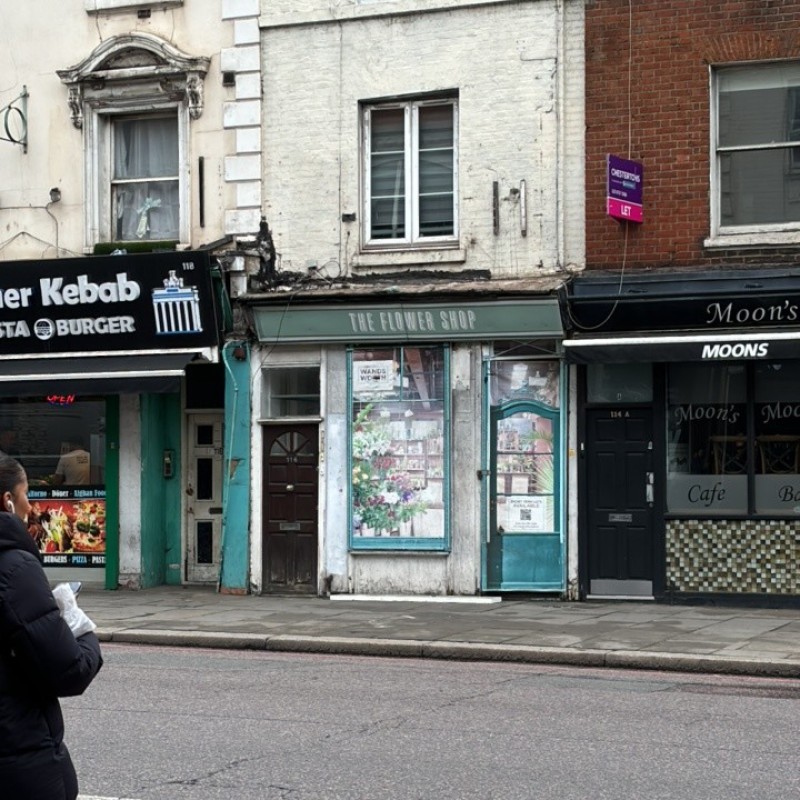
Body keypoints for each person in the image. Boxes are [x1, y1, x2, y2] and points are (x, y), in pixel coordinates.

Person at [0, 454, 103, 799]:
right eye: (26, 494)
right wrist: (78, 624)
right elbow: (69, 671)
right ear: (7, 500)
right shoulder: (13, 568)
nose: (30, 507)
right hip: (18, 765)